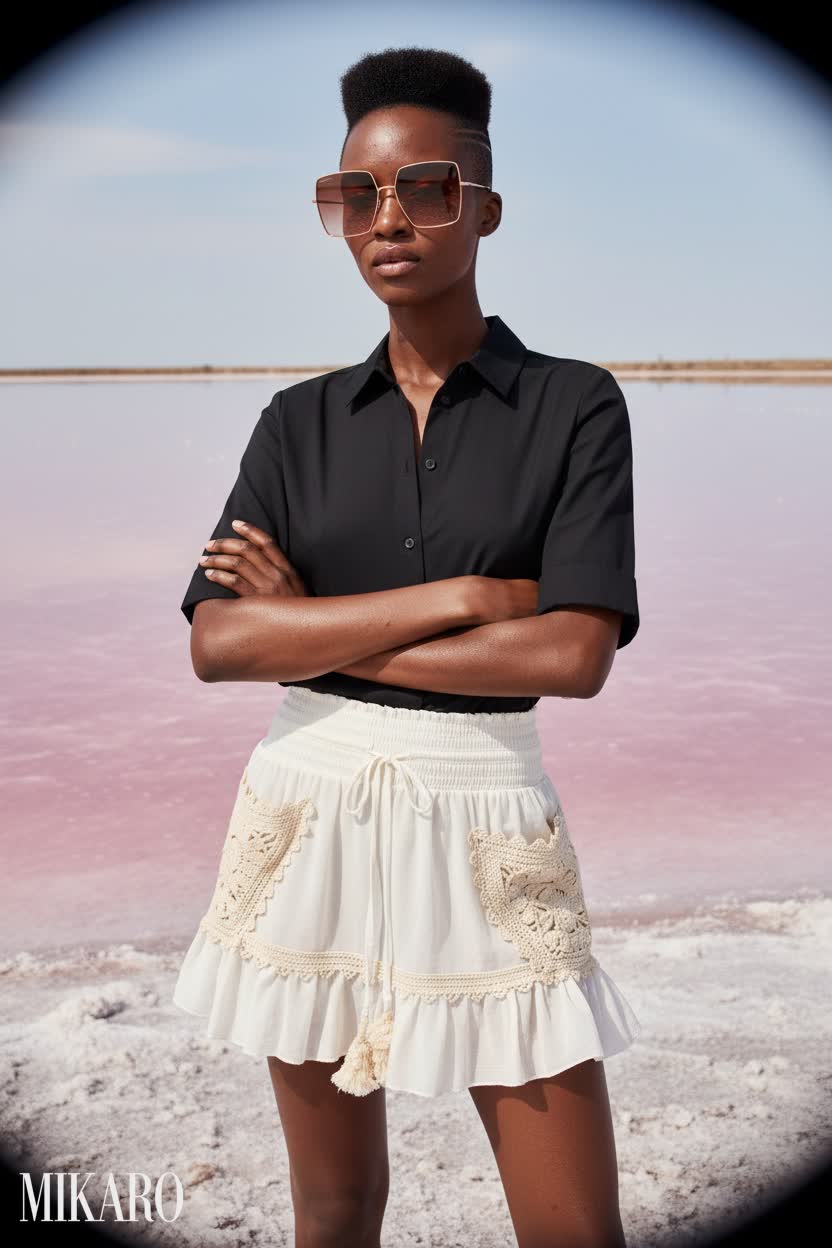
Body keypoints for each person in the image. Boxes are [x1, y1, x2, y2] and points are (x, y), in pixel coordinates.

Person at [172, 44, 642, 1248]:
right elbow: (220, 641)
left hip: (487, 817)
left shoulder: (574, 405)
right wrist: (470, 596)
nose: (386, 218)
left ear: (482, 208)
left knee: (574, 1229)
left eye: (422, 187)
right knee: (330, 1210)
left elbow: (569, 659)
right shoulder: (297, 422)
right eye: (354, 196)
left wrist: (317, 637)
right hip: (304, 808)